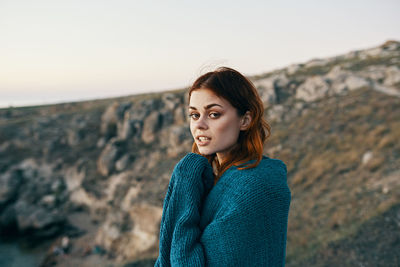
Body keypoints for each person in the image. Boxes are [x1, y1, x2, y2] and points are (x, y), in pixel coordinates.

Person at [155, 67, 291, 266]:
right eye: (194, 115)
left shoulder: (254, 186)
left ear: (245, 120)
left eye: (214, 114)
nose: (199, 124)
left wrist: (185, 177)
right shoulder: (215, 178)